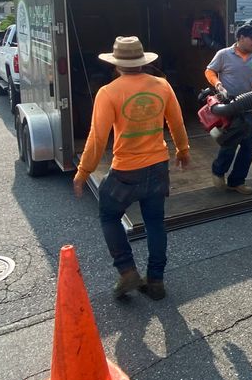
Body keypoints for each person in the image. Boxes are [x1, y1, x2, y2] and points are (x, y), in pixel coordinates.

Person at [73, 36, 190, 301]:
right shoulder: (162, 85)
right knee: (155, 223)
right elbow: (177, 123)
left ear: (116, 65)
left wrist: (83, 172)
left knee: (109, 215)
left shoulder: (108, 92)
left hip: (126, 170)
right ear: (143, 62)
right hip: (158, 165)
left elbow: (97, 138)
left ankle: (127, 272)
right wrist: (183, 150)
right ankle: (156, 280)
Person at [205, 23, 252, 195]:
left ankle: (237, 181)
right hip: (229, 105)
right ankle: (218, 172)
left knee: (249, 146)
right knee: (230, 143)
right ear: (240, 38)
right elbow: (209, 71)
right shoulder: (224, 54)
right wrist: (217, 83)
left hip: (247, 105)